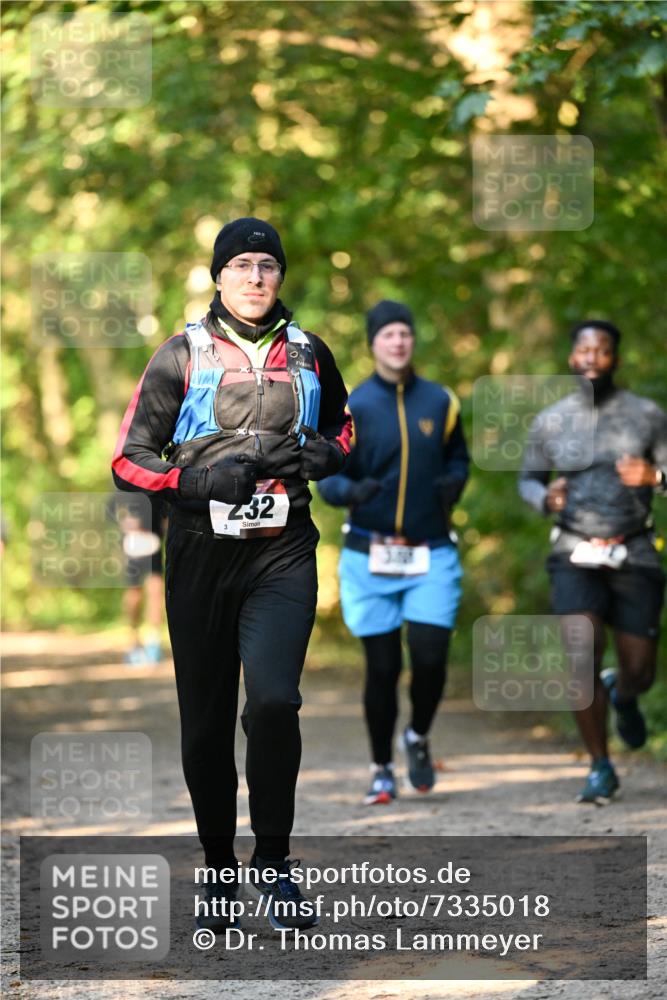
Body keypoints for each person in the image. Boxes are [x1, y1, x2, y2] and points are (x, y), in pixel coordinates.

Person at [112, 217, 351, 930]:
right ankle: (218, 867)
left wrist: (331, 457)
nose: (255, 277)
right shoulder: (180, 354)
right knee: (207, 726)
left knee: (274, 703)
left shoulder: (310, 353)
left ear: (280, 278)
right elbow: (129, 459)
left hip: (282, 552)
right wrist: (196, 482)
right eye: (241, 264)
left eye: (267, 266)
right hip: (198, 553)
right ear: (218, 276)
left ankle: (273, 867)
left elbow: (344, 426)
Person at [318, 300, 469, 805]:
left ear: (413, 341)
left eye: (405, 333)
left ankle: (418, 736)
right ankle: (382, 768)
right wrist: (349, 493)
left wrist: (452, 484)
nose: (398, 342)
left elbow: (459, 459)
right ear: (373, 343)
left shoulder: (441, 402)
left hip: (431, 553)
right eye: (388, 335)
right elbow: (329, 475)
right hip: (370, 556)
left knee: (429, 659)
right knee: (381, 669)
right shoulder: (353, 406)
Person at [519, 320, 666, 804]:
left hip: (636, 550)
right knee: (580, 654)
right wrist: (547, 499)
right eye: (584, 349)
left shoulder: (646, 416)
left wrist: (655, 474)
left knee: (640, 670)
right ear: (571, 357)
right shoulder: (552, 420)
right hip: (574, 550)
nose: (591, 357)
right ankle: (600, 765)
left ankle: (622, 693)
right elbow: (529, 480)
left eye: (602, 350)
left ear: (615, 359)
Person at [114, 492, 166, 664]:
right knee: (134, 595)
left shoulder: (160, 476)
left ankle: (153, 642)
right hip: (133, 544)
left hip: (154, 543)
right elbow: (109, 508)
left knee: (156, 592)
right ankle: (133, 641)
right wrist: (124, 523)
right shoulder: (126, 483)